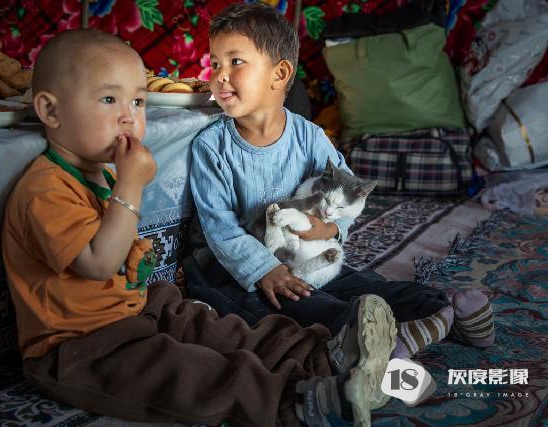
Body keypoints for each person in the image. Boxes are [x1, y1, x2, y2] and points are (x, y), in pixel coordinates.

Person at [2, 28, 400, 427]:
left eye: (138, 101)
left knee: (214, 326)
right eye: (109, 100)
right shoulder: (46, 190)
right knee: (187, 370)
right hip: (81, 345)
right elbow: (99, 264)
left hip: (133, 308)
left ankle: (323, 354)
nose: (129, 116)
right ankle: (298, 401)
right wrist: (129, 187)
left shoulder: (98, 175)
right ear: (50, 111)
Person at [185, 2, 495, 360]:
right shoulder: (212, 147)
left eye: (235, 62)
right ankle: (377, 334)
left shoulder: (309, 137)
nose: (220, 75)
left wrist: (330, 230)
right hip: (247, 269)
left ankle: (443, 311)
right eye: (215, 63)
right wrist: (266, 270)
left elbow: (350, 195)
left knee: (366, 285)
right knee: (299, 306)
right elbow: (221, 229)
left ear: (279, 73)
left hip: (306, 256)